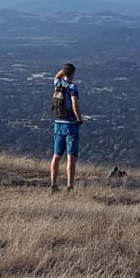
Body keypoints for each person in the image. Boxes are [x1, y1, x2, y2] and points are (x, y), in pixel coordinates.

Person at [47, 62, 83, 191]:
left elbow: (57, 75)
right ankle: (70, 185)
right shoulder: (73, 87)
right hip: (70, 125)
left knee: (56, 155)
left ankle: (53, 185)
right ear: (73, 73)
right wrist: (79, 118)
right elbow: (74, 103)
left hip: (58, 123)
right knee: (71, 156)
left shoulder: (58, 84)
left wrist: (64, 70)